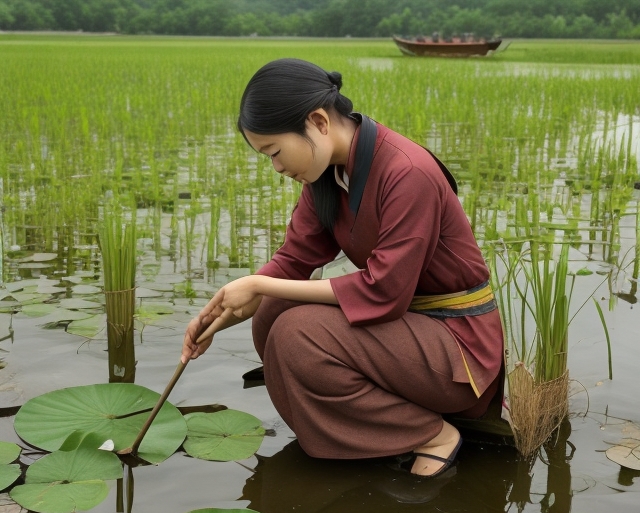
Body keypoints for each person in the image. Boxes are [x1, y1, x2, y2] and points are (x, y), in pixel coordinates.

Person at [181, 58, 503, 476]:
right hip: (409, 330)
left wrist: (260, 284)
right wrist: (224, 314)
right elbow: (294, 260)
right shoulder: (327, 176)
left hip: (456, 346)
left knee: (297, 335)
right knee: (271, 314)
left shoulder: (407, 172)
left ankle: (431, 433)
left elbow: (382, 292)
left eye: (275, 151)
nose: (277, 167)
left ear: (317, 121)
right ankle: (357, 425)